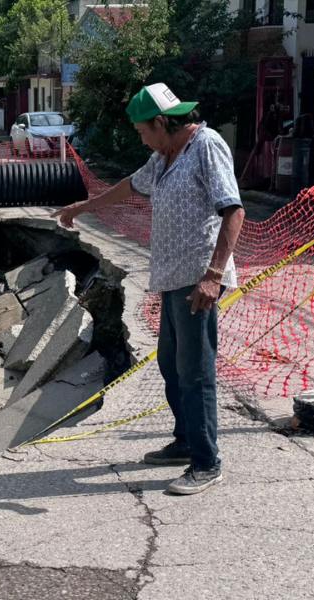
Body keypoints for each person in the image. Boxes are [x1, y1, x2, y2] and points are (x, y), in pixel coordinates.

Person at [53, 83, 246, 495]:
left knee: (195, 373)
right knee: (171, 366)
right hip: (172, 279)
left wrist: (213, 276)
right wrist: (83, 208)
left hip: (198, 279)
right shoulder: (164, 157)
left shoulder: (206, 146)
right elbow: (131, 185)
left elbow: (233, 209)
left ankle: (207, 462)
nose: (141, 138)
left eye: (143, 131)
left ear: (162, 123)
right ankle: (184, 441)